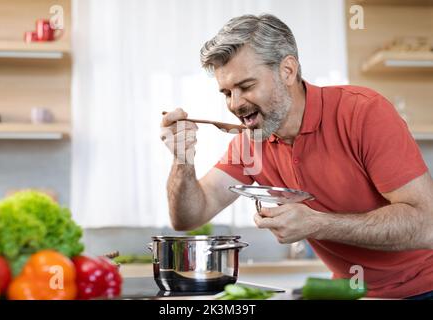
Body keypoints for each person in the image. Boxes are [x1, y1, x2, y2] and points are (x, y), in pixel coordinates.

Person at [160, 14, 433, 299]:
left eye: (247, 86)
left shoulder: (362, 113)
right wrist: (182, 159)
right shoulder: (250, 140)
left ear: (287, 71)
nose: (235, 104)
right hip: (349, 291)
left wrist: (316, 223)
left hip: (424, 287)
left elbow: (427, 224)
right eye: (226, 92)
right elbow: (189, 217)